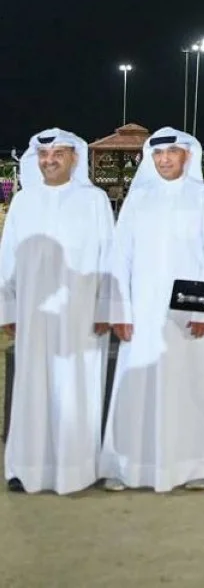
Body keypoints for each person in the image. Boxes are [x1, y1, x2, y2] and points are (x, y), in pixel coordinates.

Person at [100, 128, 204, 493]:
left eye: (172, 153)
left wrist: (203, 310)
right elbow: (120, 256)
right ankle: (126, 466)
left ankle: (192, 466)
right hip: (142, 309)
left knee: (189, 386)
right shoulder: (139, 199)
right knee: (136, 385)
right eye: (159, 155)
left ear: (187, 156)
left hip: (187, 313)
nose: (166, 160)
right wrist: (119, 309)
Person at [0, 129, 114, 494]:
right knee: (32, 386)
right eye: (44, 155)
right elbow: (7, 260)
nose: (50, 161)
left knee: (76, 386)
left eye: (58, 154)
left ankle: (76, 468)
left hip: (81, 315)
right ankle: (25, 466)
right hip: (34, 313)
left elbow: (108, 257)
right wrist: (8, 307)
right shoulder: (23, 201)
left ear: (74, 158)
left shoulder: (94, 200)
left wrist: (105, 307)